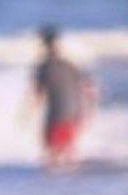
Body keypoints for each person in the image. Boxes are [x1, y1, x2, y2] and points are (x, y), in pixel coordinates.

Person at [30, 24, 95, 170]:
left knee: (52, 159)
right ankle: (68, 188)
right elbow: (89, 87)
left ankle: (56, 190)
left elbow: (37, 95)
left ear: (43, 44)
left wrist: (26, 114)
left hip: (57, 115)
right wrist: (88, 110)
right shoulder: (70, 64)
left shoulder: (43, 67)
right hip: (74, 114)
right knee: (68, 155)